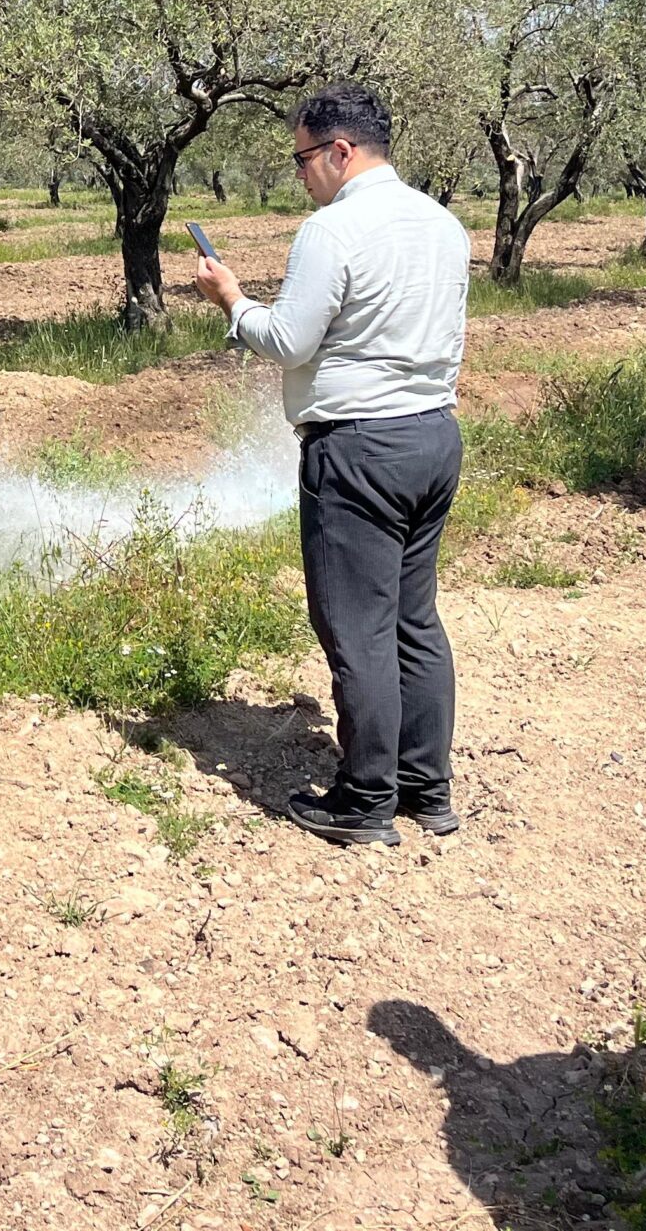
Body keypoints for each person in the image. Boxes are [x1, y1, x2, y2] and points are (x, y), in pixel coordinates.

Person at [193, 80, 470, 846]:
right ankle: (427, 787)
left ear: (341, 151)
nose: (302, 174)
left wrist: (232, 300)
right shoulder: (444, 224)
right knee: (415, 619)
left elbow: (289, 340)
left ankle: (364, 800)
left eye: (303, 158)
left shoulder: (333, 229)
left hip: (358, 447)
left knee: (357, 628)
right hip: (432, 436)